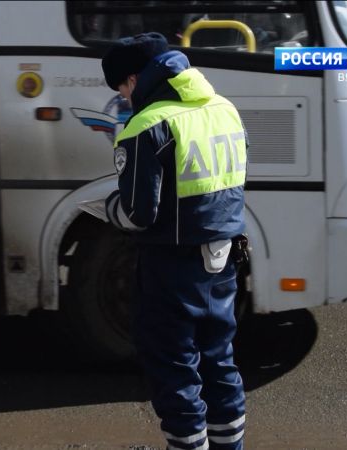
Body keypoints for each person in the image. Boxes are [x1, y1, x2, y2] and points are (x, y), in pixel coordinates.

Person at [101, 33, 248, 450]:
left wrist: (107, 207)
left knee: (175, 366)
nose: (126, 99)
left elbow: (138, 213)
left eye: (123, 89)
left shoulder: (147, 124)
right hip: (222, 260)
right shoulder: (224, 109)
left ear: (134, 78)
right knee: (220, 361)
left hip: (171, 267)